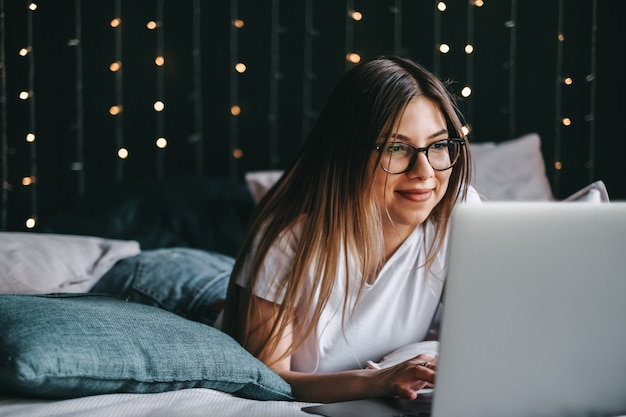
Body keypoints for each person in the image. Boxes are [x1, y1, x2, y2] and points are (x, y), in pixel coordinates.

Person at [220, 55, 481, 403]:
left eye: (437, 145)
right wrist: (374, 382)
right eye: (396, 148)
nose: (425, 172)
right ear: (349, 154)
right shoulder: (289, 238)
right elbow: (270, 378)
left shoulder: (459, 212)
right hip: (205, 293)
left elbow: (487, 335)